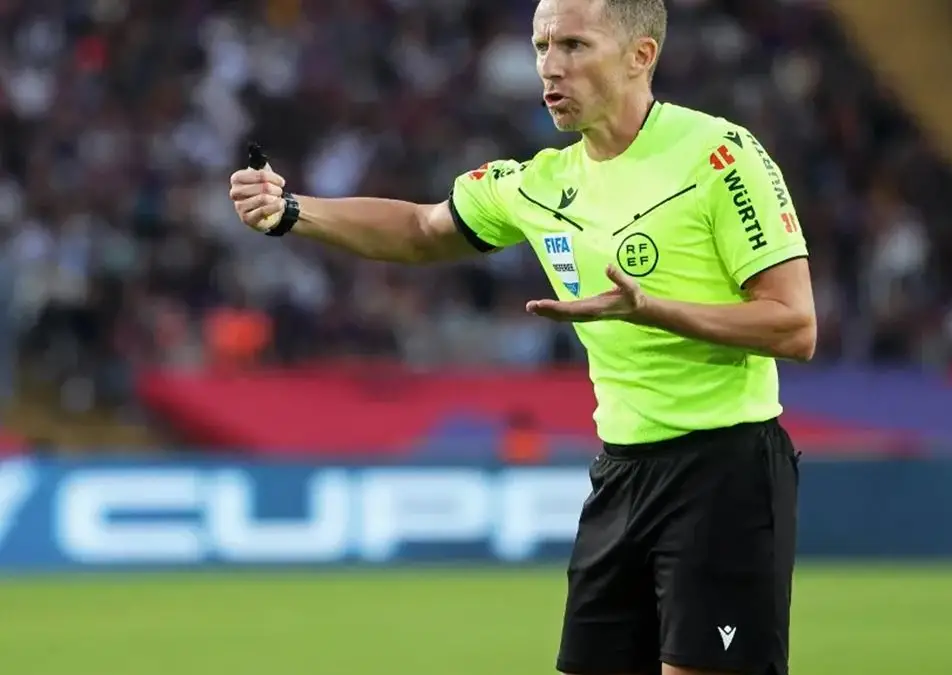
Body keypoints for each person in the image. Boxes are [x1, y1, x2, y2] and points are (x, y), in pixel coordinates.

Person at [228, 1, 816, 673]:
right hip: (622, 473)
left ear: (640, 56)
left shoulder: (719, 155)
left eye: (573, 45)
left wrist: (652, 309)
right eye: (541, 47)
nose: (549, 67)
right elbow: (422, 228)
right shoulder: (539, 183)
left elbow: (795, 324)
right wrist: (291, 210)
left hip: (725, 468)